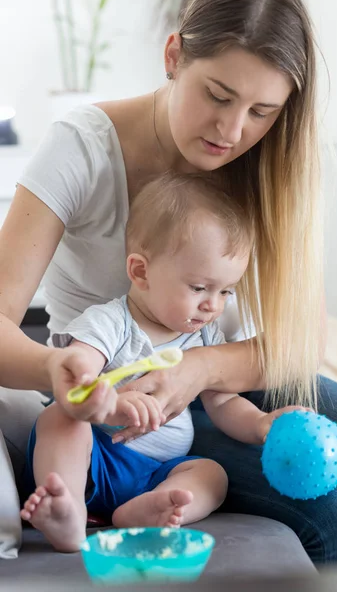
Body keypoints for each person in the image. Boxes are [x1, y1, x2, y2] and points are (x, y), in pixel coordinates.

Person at [0, 0, 337, 566]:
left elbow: (300, 345)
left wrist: (197, 369)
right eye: (218, 95)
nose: (233, 130)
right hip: (124, 409)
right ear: (173, 56)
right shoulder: (81, 149)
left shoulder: (270, 166)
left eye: (262, 112)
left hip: (229, 379)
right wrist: (54, 369)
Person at [21, 172, 308, 552]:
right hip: (97, 457)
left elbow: (221, 403)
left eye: (226, 291)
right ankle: (67, 509)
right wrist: (111, 403)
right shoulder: (110, 322)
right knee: (58, 419)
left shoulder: (205, 335)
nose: (213, 305)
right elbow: (77, 377)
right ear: (141, 271)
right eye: (199, 288)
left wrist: (259, 425)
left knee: (210, 475)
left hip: (155, 473)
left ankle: (149, 509)